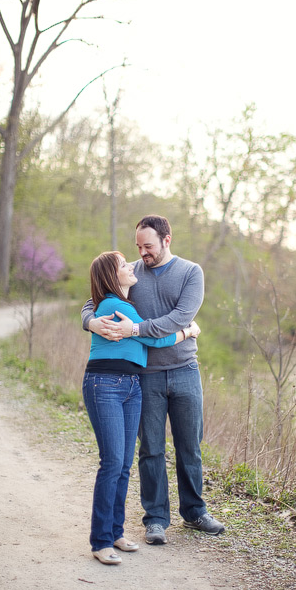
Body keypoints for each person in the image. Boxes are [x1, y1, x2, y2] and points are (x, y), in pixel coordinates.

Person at [81, 215, 225, 545]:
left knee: (190, 444)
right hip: (144, 376)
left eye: (149, 246)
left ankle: (195, 512)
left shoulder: (191, 273)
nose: (143, 253)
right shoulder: (129, 272)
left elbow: (179, 319)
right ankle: (156, 518)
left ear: (166, 240)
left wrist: (134, 330)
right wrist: (91, 323)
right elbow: (93, 301)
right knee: (151, 449)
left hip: (185, 369)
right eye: (139, 247)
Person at [83, 251, 200, 564]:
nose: (131, 265)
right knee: (112, 462)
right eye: (123, 265)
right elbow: (156, 340)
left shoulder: (125, 302)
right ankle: (101, 541)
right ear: (112, 276)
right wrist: (189, 331)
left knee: (122, 465)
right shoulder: (114, 305)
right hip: (105, 384)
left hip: (133, 384)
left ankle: (116, 532)